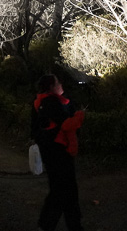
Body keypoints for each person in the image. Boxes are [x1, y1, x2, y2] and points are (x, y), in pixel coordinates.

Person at [31, 74, 85, 231]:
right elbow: (66, 123)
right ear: (51, 87)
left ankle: (69, 225)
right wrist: (79, 117)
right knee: (62, 190)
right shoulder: (50, 102)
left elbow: (34, 129)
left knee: (61, 189)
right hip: (59, 152)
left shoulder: (40, 101)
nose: (61, 84)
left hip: (51, 152)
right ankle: (51, 224)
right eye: (57, 82)